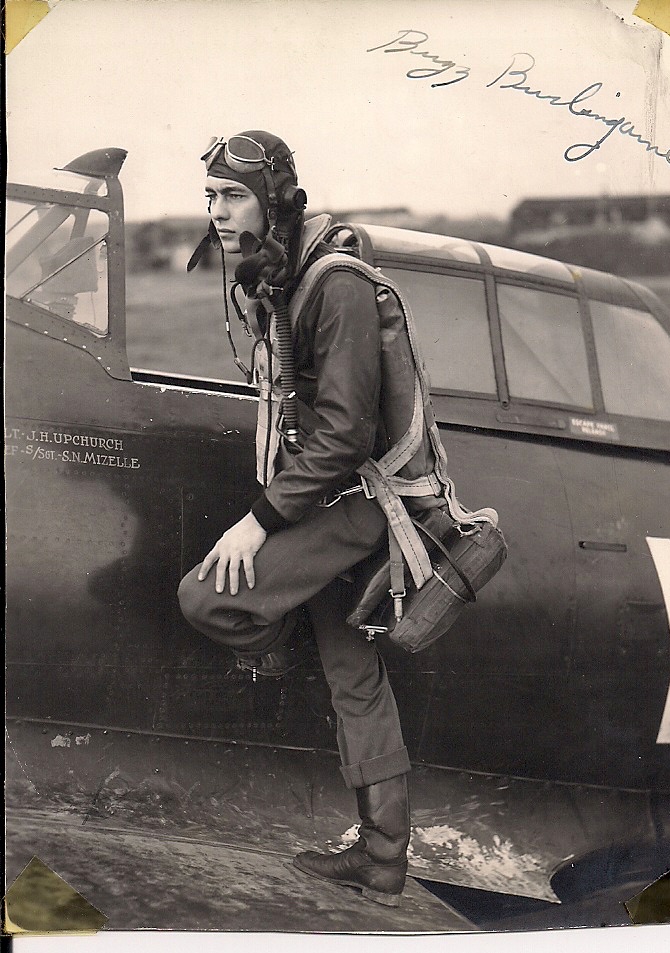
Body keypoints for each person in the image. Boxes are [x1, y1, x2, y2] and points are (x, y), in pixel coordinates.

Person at [177, 131, 412, 907]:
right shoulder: (285, 273)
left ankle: (276, 643)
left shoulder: (333, 283)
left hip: (359, 502)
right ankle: (383, 860)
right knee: (354, 676)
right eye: (210, 196)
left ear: (274, 199)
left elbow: (345, 435)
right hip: (326, 498)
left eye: (232, 195)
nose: (216, 212)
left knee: (206, 596)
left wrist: (259, 521)